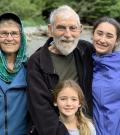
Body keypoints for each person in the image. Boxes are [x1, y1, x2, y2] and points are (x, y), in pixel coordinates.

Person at [27, 5, 93, 135]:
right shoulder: (37, 61)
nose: (68, 34)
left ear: (80, 30)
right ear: (50, 30)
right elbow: (41, 110)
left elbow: (109, 59)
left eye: (73, 28)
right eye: (61, 28)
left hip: (84, 127)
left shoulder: (86, 51)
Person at [91, 16, 120, 135]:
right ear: (92, 35)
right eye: (99, 33)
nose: (102, 39)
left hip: (116, 129)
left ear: (117, 40)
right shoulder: (84, 59)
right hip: (90, 129)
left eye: (109, 36)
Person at [0, 12, 27, 135]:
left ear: (22, 37)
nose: (9, 38)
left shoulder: (31, 68)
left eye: (14, 33)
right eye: (4, 33)